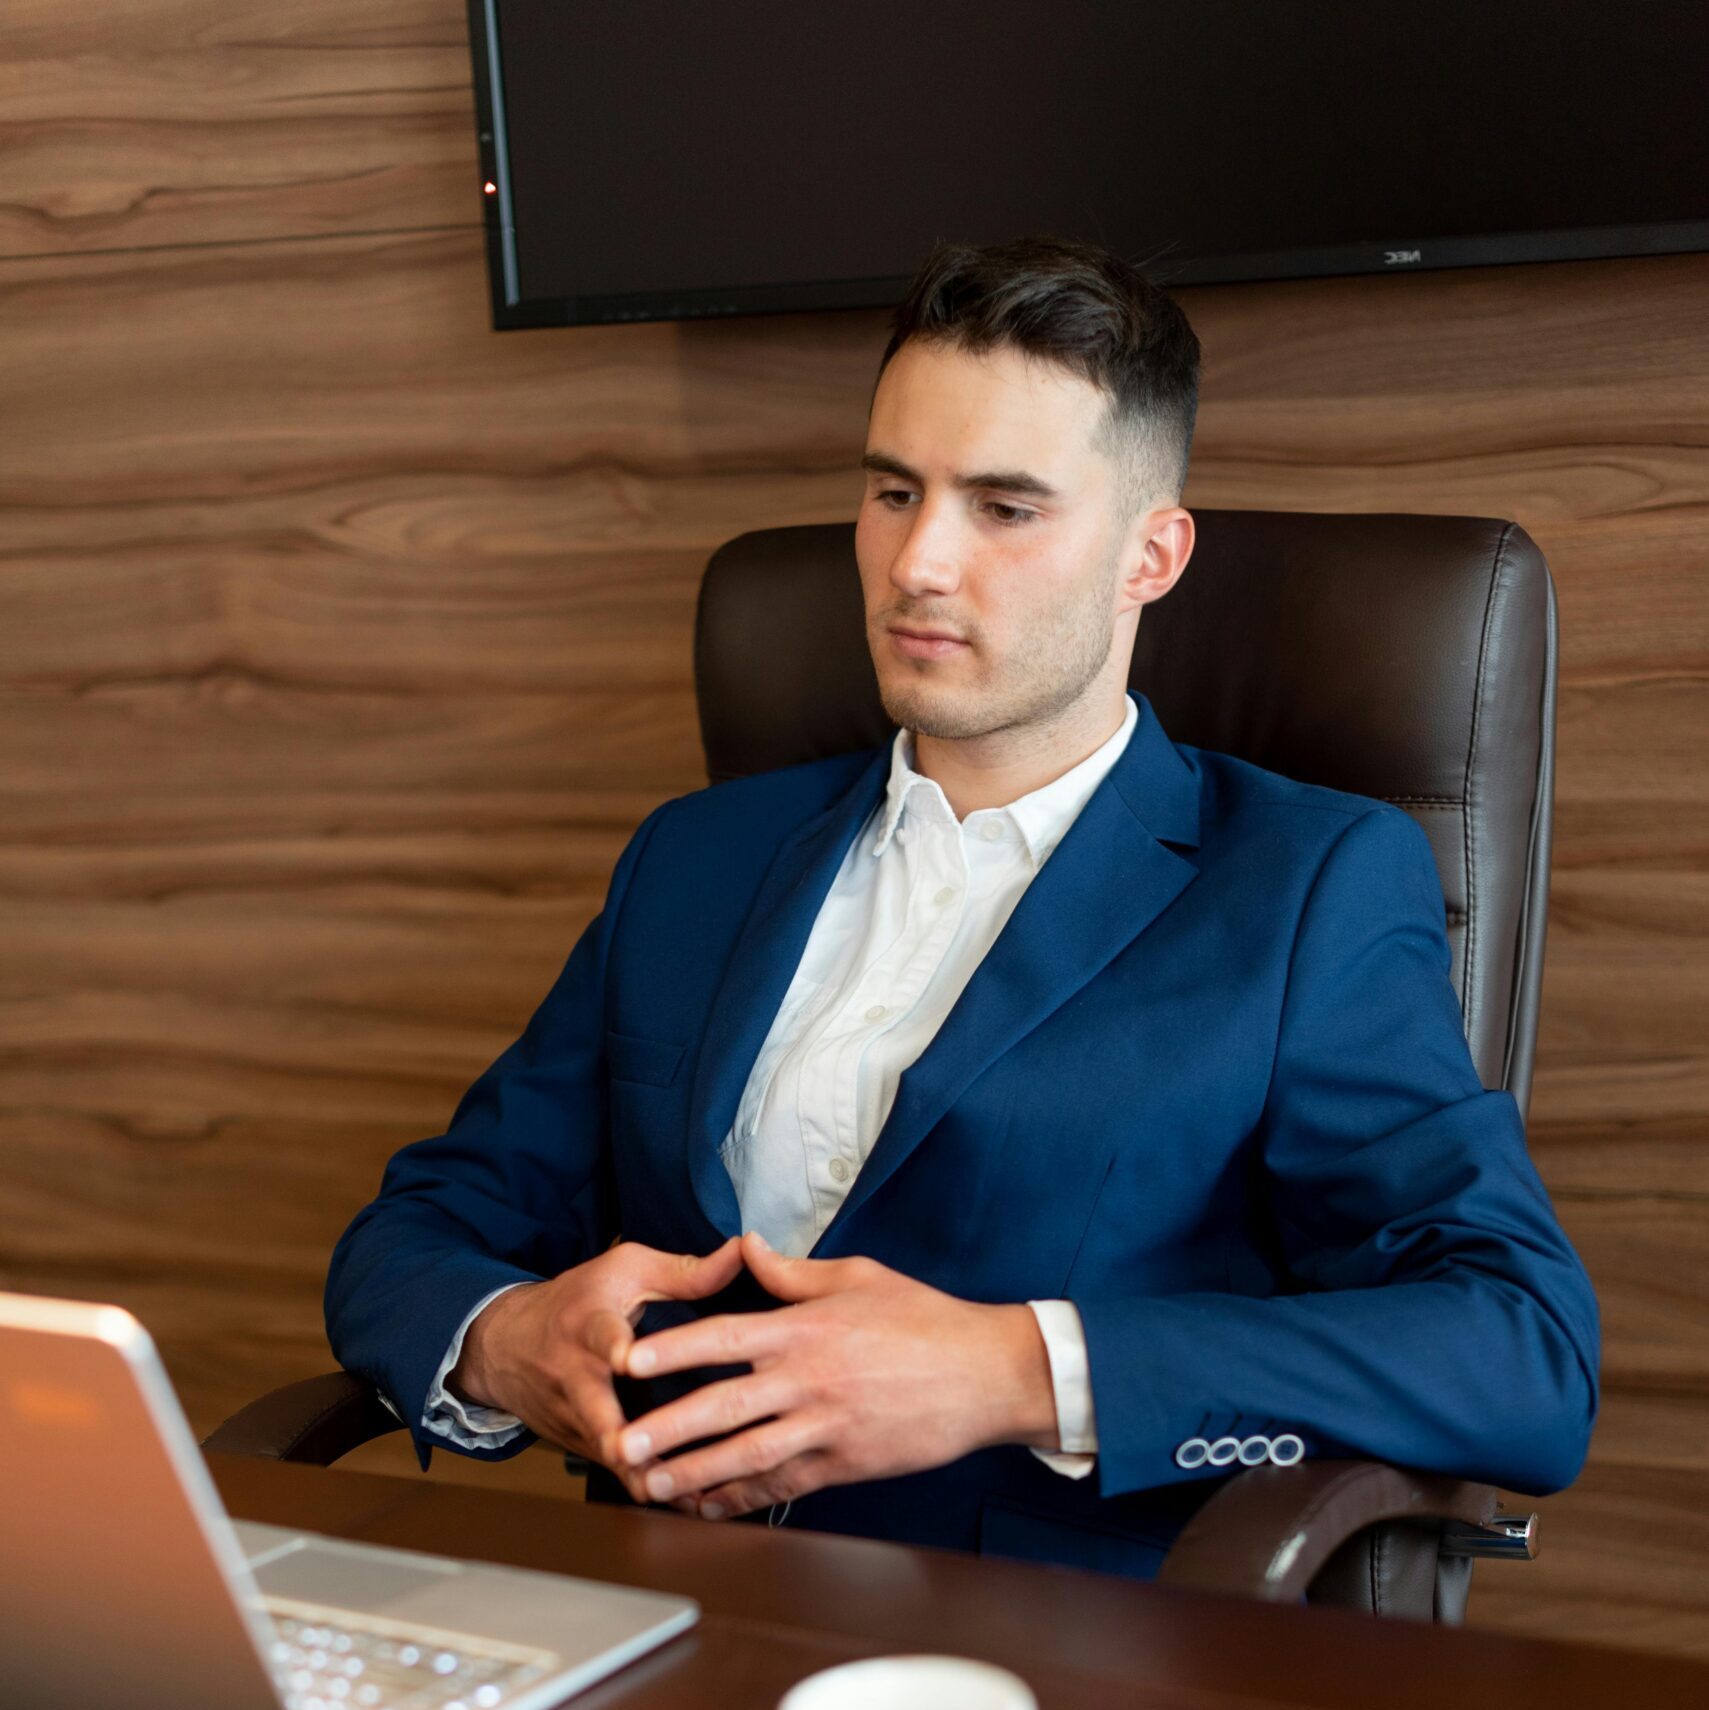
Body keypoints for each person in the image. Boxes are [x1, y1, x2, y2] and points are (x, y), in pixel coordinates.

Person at [325, 234, 1599, 1578]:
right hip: (669, 1618)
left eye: (1003, 506)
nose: (916, 561)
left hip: (1055, 1643)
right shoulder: (693, 856)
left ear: (1149, 555)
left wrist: (1013, 1367)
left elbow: (1517, 1352)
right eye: (891, 490)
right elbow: (414, 1231)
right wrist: (503, 1337)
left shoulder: (1306, 884)